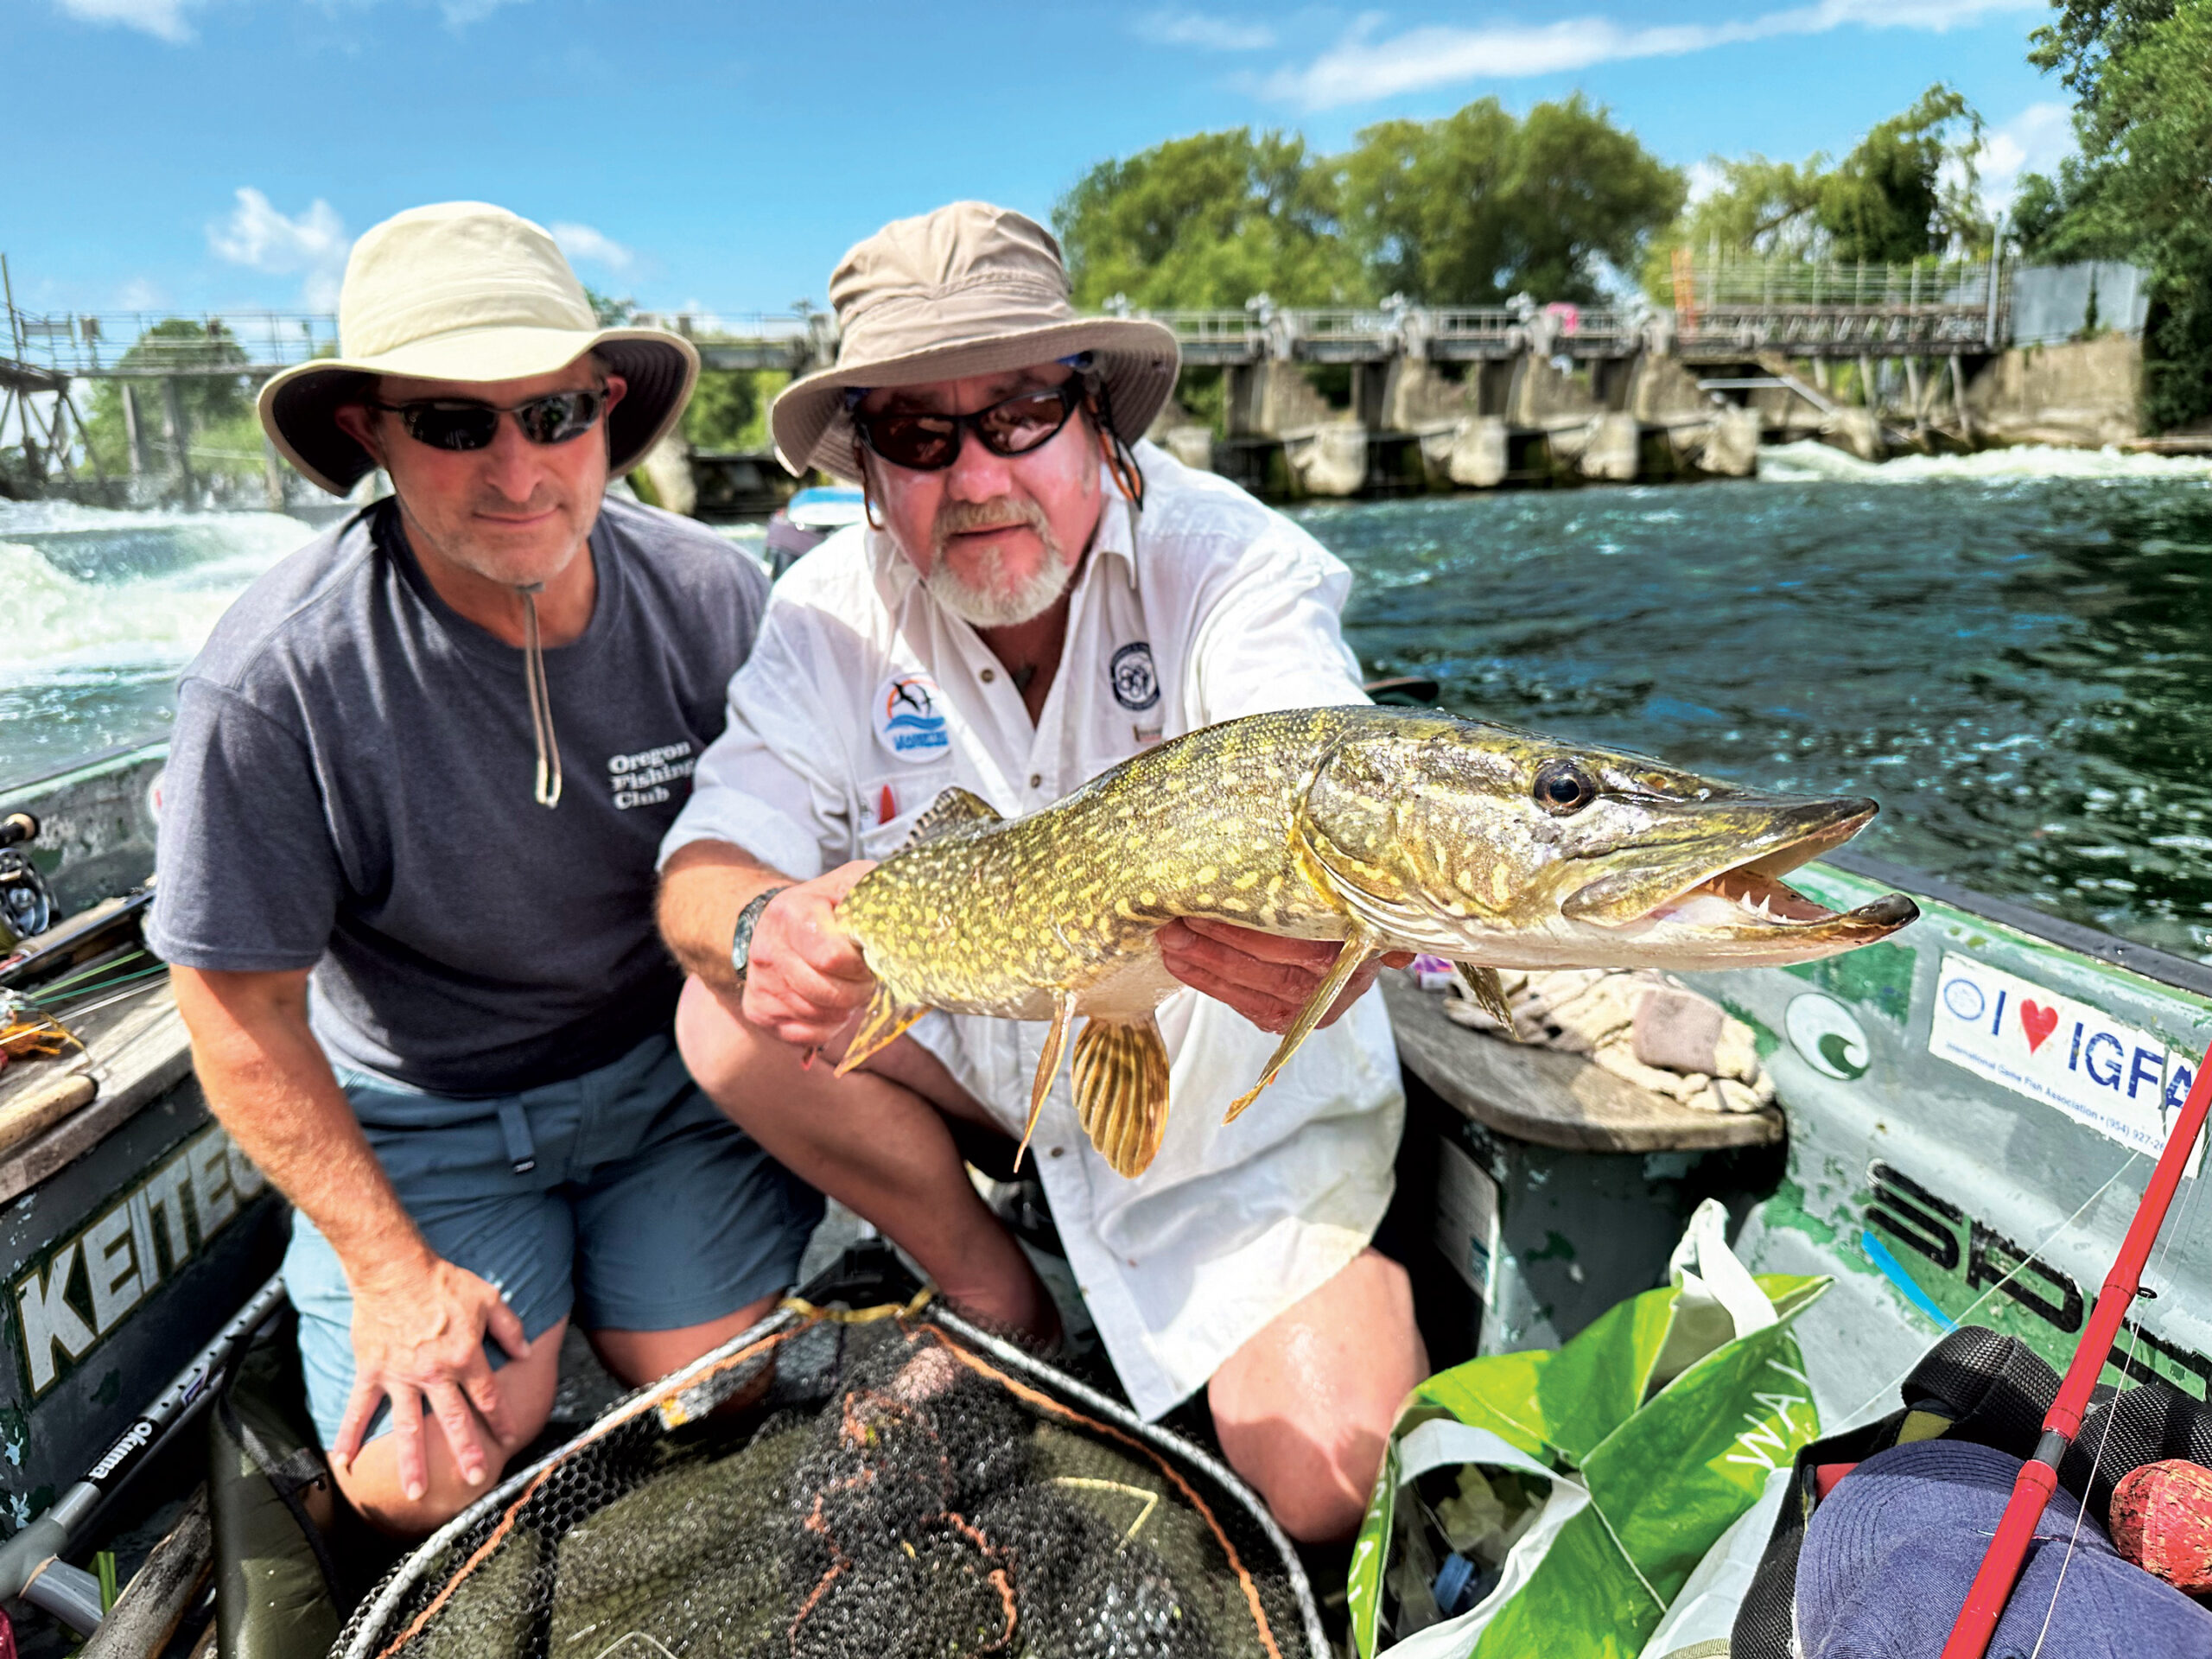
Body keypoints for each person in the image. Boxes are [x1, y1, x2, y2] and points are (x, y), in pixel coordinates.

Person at [657, 201, 1427, 1543]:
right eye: (917, 434)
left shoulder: (1239, 566)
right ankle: (994, 1293)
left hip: (1219, 1124)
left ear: (1098, 424)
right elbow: (701, 868)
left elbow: (1320, 753)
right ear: (870, 470)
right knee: (719, 1009)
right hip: (988, 1070)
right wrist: (768, 921)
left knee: (1330, 1479)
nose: (977, 476)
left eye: (1019, 413)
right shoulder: (822, 612)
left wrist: (1351, 918)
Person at [149, 201, 822, 1535]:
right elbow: (239, 1011)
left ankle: (625, 1290)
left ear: (607, 409)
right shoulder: (275, 679)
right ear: (371, 432)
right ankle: (396, 1294)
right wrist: (392, 1270)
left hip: (675, 1073)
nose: (520, 470)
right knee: (421, 1484)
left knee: (706, 1386)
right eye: (458, 425)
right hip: (431, 1119)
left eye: (555, 415)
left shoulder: (715, 596)